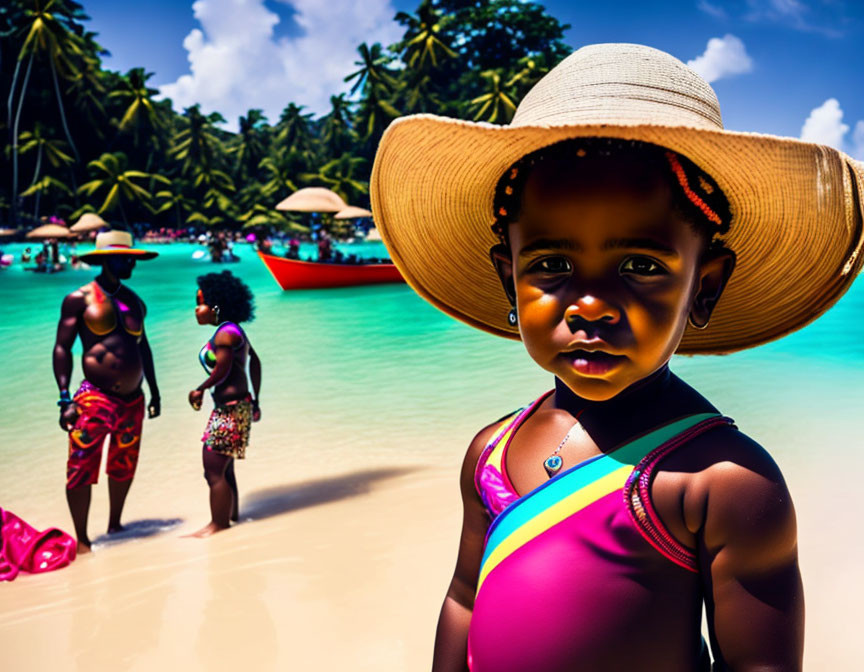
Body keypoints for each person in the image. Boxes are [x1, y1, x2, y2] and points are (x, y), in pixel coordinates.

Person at [370, 44, 864, 671]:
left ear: (703, 287)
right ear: (508, 279)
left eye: (641, 266)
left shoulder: (724, 483)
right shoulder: (490, 452)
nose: (592, 304)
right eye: (551, 266)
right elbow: (464, 601)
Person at [53, 230, 161, 554]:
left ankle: (115, 523)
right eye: (126, 258)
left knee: (124, 463)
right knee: (81, 466)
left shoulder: (134, 300)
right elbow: (61, 348)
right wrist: (64, 398)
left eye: (133, 258)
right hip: (95, 397)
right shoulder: (80, 298)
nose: (131, 263)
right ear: (105, 259)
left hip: (133, 399)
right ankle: (83, 539)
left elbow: (144, 347)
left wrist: (155, 391)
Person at [188, 270, 261, 536]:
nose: (196, 309)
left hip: (230, 410)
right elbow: (255, 361)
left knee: (213, 468)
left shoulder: (225, 335)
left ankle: (217, 525)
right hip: (237, 406)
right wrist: (256, 399)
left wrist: (200, 389)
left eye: (200, 302)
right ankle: (231, 517)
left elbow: (223, 368)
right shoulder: (233, 330)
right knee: (225, 468)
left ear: (216, 305)